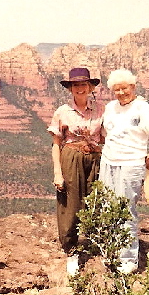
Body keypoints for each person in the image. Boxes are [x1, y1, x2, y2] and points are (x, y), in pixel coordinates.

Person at [100, 68, 149, 274]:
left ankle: (128, 260)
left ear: (133, 87)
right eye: (116, 89)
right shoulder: (110, 108)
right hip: (108, 163)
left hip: (131, 165)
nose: (121, 93)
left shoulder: (142, 108)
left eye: (125, 88)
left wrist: (148, 157)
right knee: (107, 207)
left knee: (125, 210)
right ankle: (111, 252)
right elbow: (105, 133)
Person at [48, 67, 104, 276]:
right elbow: (56, 144)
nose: (80, 88)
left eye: (84, 84)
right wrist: (57, 173)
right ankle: (71, 251)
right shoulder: (62, 112)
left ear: (90, 87)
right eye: (76, 85)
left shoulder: (101, 110)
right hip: (71, 157)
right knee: (70, 203)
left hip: (95, 158)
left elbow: (107, 137)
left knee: (96, 200)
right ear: (70, 88)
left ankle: (96, 245)